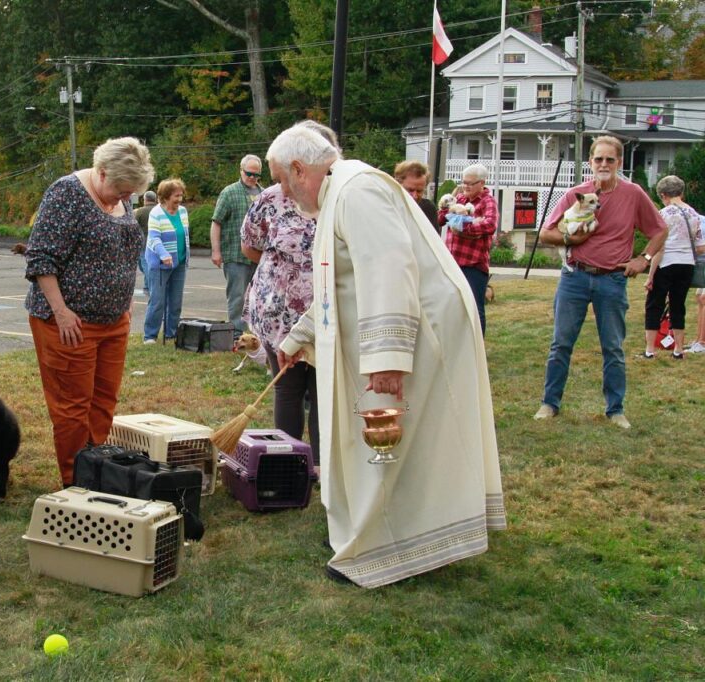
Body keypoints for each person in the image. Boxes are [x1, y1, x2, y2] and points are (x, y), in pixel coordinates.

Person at [269, 124, 505, 588]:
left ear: (299, 168)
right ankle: (373, 531)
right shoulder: (339, 193)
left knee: (388, 442)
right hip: (398, 332)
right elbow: (336, 285)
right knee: (381, 444)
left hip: (420, 333)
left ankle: (384, 544)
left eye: (281, 180)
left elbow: (389, 268)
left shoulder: (357, 191)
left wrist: (388, 359)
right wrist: (297, 338)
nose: (282, 192)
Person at [25, 137, 154, 486]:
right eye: (121, 190)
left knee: (103, 401)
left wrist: (125, 302)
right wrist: (61, 312)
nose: (125, 198)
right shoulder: (66, 194)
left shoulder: (120, 195)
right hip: (70, 322)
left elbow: (124, 251)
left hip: (113, 321)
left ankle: (96, 469)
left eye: (130, 193)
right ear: (102, 172)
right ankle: (75, 482)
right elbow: (40, 258)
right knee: (73, 407)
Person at [533, 135, 667, 429]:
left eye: (609, 159)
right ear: (590, 162)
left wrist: (643, 259)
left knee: (613, 348)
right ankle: (549, 404)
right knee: (560, 344)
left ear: (619, 162)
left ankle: (615, 410)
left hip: (612, 280)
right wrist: (572, 239)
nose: (603, 164)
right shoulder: (576, 194)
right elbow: (545, 233)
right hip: (575, 277)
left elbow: (660, 230)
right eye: (598, 159)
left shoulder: (633, 194)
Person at [241, 121, 341, 466]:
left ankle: (321, 465)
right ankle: (289, 463)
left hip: (326, 311)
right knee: (288, 387)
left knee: (323, 389)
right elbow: (250, 245)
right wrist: (288, 271)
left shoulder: (340, 198)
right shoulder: (271, 198)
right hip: (280, 313)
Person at [643, 175, 704, 359]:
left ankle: (650, 350)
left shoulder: (663, 214)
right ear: (681, 193)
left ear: (663, 195)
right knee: (678, 305)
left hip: (666, 262)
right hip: (687, 264)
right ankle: (678, 349)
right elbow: (701, 247)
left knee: (654, 304)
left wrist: (650, 275)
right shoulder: (694, 214)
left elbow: (659, 247)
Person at [437, 163, 499, 336]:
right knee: (451, 307)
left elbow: (490, 225)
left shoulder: (488, 201)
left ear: (482, 183)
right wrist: (444, 208)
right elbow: (441, 220)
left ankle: (477, 346)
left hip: (473, 264)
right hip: (452, 263)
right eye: (464, 182)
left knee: (474, 308)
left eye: (470, 183)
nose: (466, 186)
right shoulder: (460, 199)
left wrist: (464, 229)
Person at [211, 154, 262, 332]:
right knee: (237, 297)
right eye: (249, 173)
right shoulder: (229, 192)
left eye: (256, 175)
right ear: (241, 170)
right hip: (235, 255)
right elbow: (216, 222)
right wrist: (216, 251)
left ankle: (256, 333)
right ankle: (236, 334)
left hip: (258, 257)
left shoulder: (264, 195)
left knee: (258, 296)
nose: (252, 177)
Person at [143, 178, 190, 345]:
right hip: (160, 264)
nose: (179, 199)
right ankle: (150, 335)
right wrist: (163, 254)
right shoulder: (156, 213)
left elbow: (184, 235)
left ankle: (171, 333)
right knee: (157, 301)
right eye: (176, 196)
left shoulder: (183, 211)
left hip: (180, 262)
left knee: (176, 301)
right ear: (166, 196)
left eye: (181, 195)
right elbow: (154, 238)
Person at [393, 160, 439, 231]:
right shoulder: (389, 207)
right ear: (397, 184)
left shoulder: (428, 209)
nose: (415, 196)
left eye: (419, 191)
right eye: (410, 190)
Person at [133, 190, 157, 296]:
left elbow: (133, 226)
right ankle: (149, 285)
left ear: (145, 199)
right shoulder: (159, 210)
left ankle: (149, 286)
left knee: (144, 264)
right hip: (157, 241)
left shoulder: (140, 212)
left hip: (143, 242)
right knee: (149, 264)